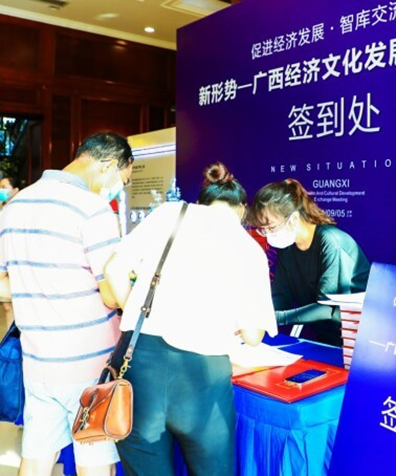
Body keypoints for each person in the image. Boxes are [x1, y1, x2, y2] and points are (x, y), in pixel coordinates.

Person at [104, 162, 277, 476]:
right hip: (203, 378)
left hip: (140, 365)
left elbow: (113, 270)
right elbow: (253, 336)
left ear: (201, 202)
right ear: (241, 210)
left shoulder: (168, 214)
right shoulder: (248, 248)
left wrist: (139, 314)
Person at [0, 132, 133, 476]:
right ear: (108, 166)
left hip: (37, 361)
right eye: (122, 180)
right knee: (95, 463)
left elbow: (2, 284)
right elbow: (111, 293)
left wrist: (36, 287)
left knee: (36, 460)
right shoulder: (92, 208)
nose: (118, 189)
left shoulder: (16, 205)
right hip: (89, 365)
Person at [248, 178, 370, 347]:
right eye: (263, 229)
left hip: (356, 340)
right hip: (323, 337)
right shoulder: (287, 248)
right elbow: (281, 295)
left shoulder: (332, 243)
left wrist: (273, 318)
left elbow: (328, 308)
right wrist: (257, 316)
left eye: (271, 227)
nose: (267, 234)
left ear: (293, 219)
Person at [0, 175, 20, 331]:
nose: (1, 191)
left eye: (4, 187)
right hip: (2, 258)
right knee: (7, 305)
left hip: (12, 258)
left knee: (15, 304)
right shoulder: (2, 209)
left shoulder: (19, 211)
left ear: (15, 190)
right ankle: (9, 339)